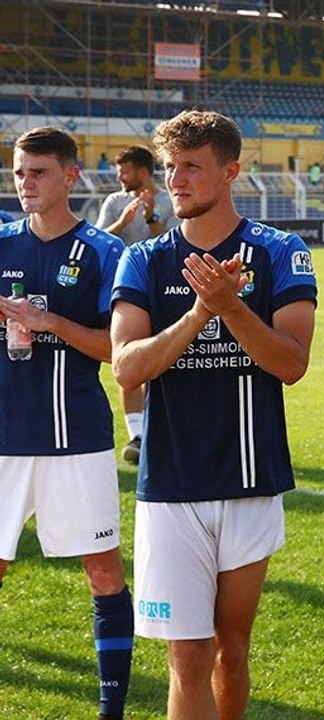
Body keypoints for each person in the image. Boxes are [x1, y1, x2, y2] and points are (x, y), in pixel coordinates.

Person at [110, 110, 317, 718]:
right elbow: (127, 367)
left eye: (192, 167)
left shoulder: (280, 250)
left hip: (250, 477)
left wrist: (231, 306)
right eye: (171, 167)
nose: (176, 180)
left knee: (232, 647)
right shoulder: (144, 260)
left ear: (230, 172)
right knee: (188, 657)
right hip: (171, 483)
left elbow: (291, 362)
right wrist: (202, 313)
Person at [0, 126, 132, 720]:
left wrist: (49, 324)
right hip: (3, 439)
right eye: (19, 172)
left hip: (75, 439)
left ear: (70, 177)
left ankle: (112, 710)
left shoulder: (104, 253)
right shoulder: (0, 244)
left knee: (102, 570)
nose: (25, 183)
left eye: (38, 172)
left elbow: (119, 350)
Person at [96, 145, 177, 465]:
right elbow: (99, 240)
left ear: (142, 171)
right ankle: (137, 435)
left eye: (124, 170)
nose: (119, 177)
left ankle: (167, 431)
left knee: (169, 360)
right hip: (126, 292)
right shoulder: (114, 201)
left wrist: (148, 215)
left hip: (164, 288)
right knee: (128, 360)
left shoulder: (169, 200)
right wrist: (123, 221)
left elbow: (171, 241)